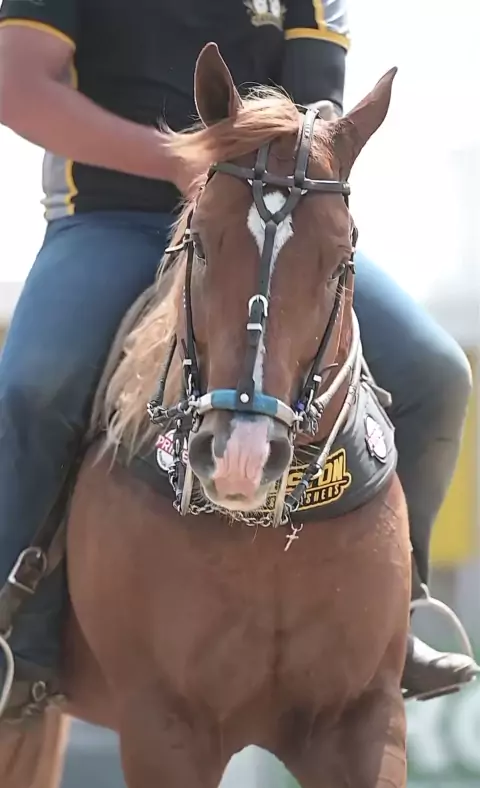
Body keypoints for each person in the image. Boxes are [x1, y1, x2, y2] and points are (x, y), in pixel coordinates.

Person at [0, 0, 477, 720]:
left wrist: (247, 176)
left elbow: (318, 109)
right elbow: (18, 88)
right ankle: (18, 635)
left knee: (434, 375)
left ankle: (400, 614)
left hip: (266, 223)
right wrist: (173, 159)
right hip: (110, 217)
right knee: (35, 383)